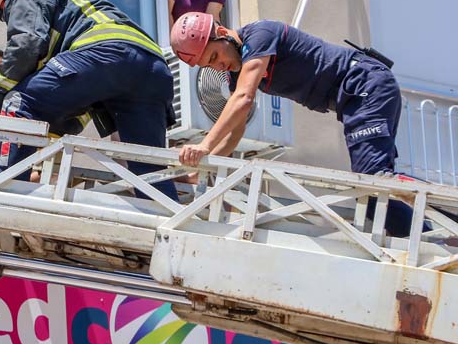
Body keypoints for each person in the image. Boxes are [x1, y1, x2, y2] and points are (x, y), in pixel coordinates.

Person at [170, 12, 412, 236]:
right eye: (208, 65)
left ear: (221, 33)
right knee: (375, 199)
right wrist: (204, 168)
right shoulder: (236, 73)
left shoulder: (259, 35)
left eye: (214, 56)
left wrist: (204, 144)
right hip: (355, 96)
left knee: (375, 178)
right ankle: (433, 240)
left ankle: (447, 205)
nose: (217, 66)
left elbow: (244, 99)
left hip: (363, 83)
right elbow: (236, 131)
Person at [0, 0, 178, 200]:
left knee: (16, 103)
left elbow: (26, 45)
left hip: (105, 53)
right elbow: (77, 103)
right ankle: (170, 225)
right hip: (151, 65)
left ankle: (0, 197)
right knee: (147, 168)